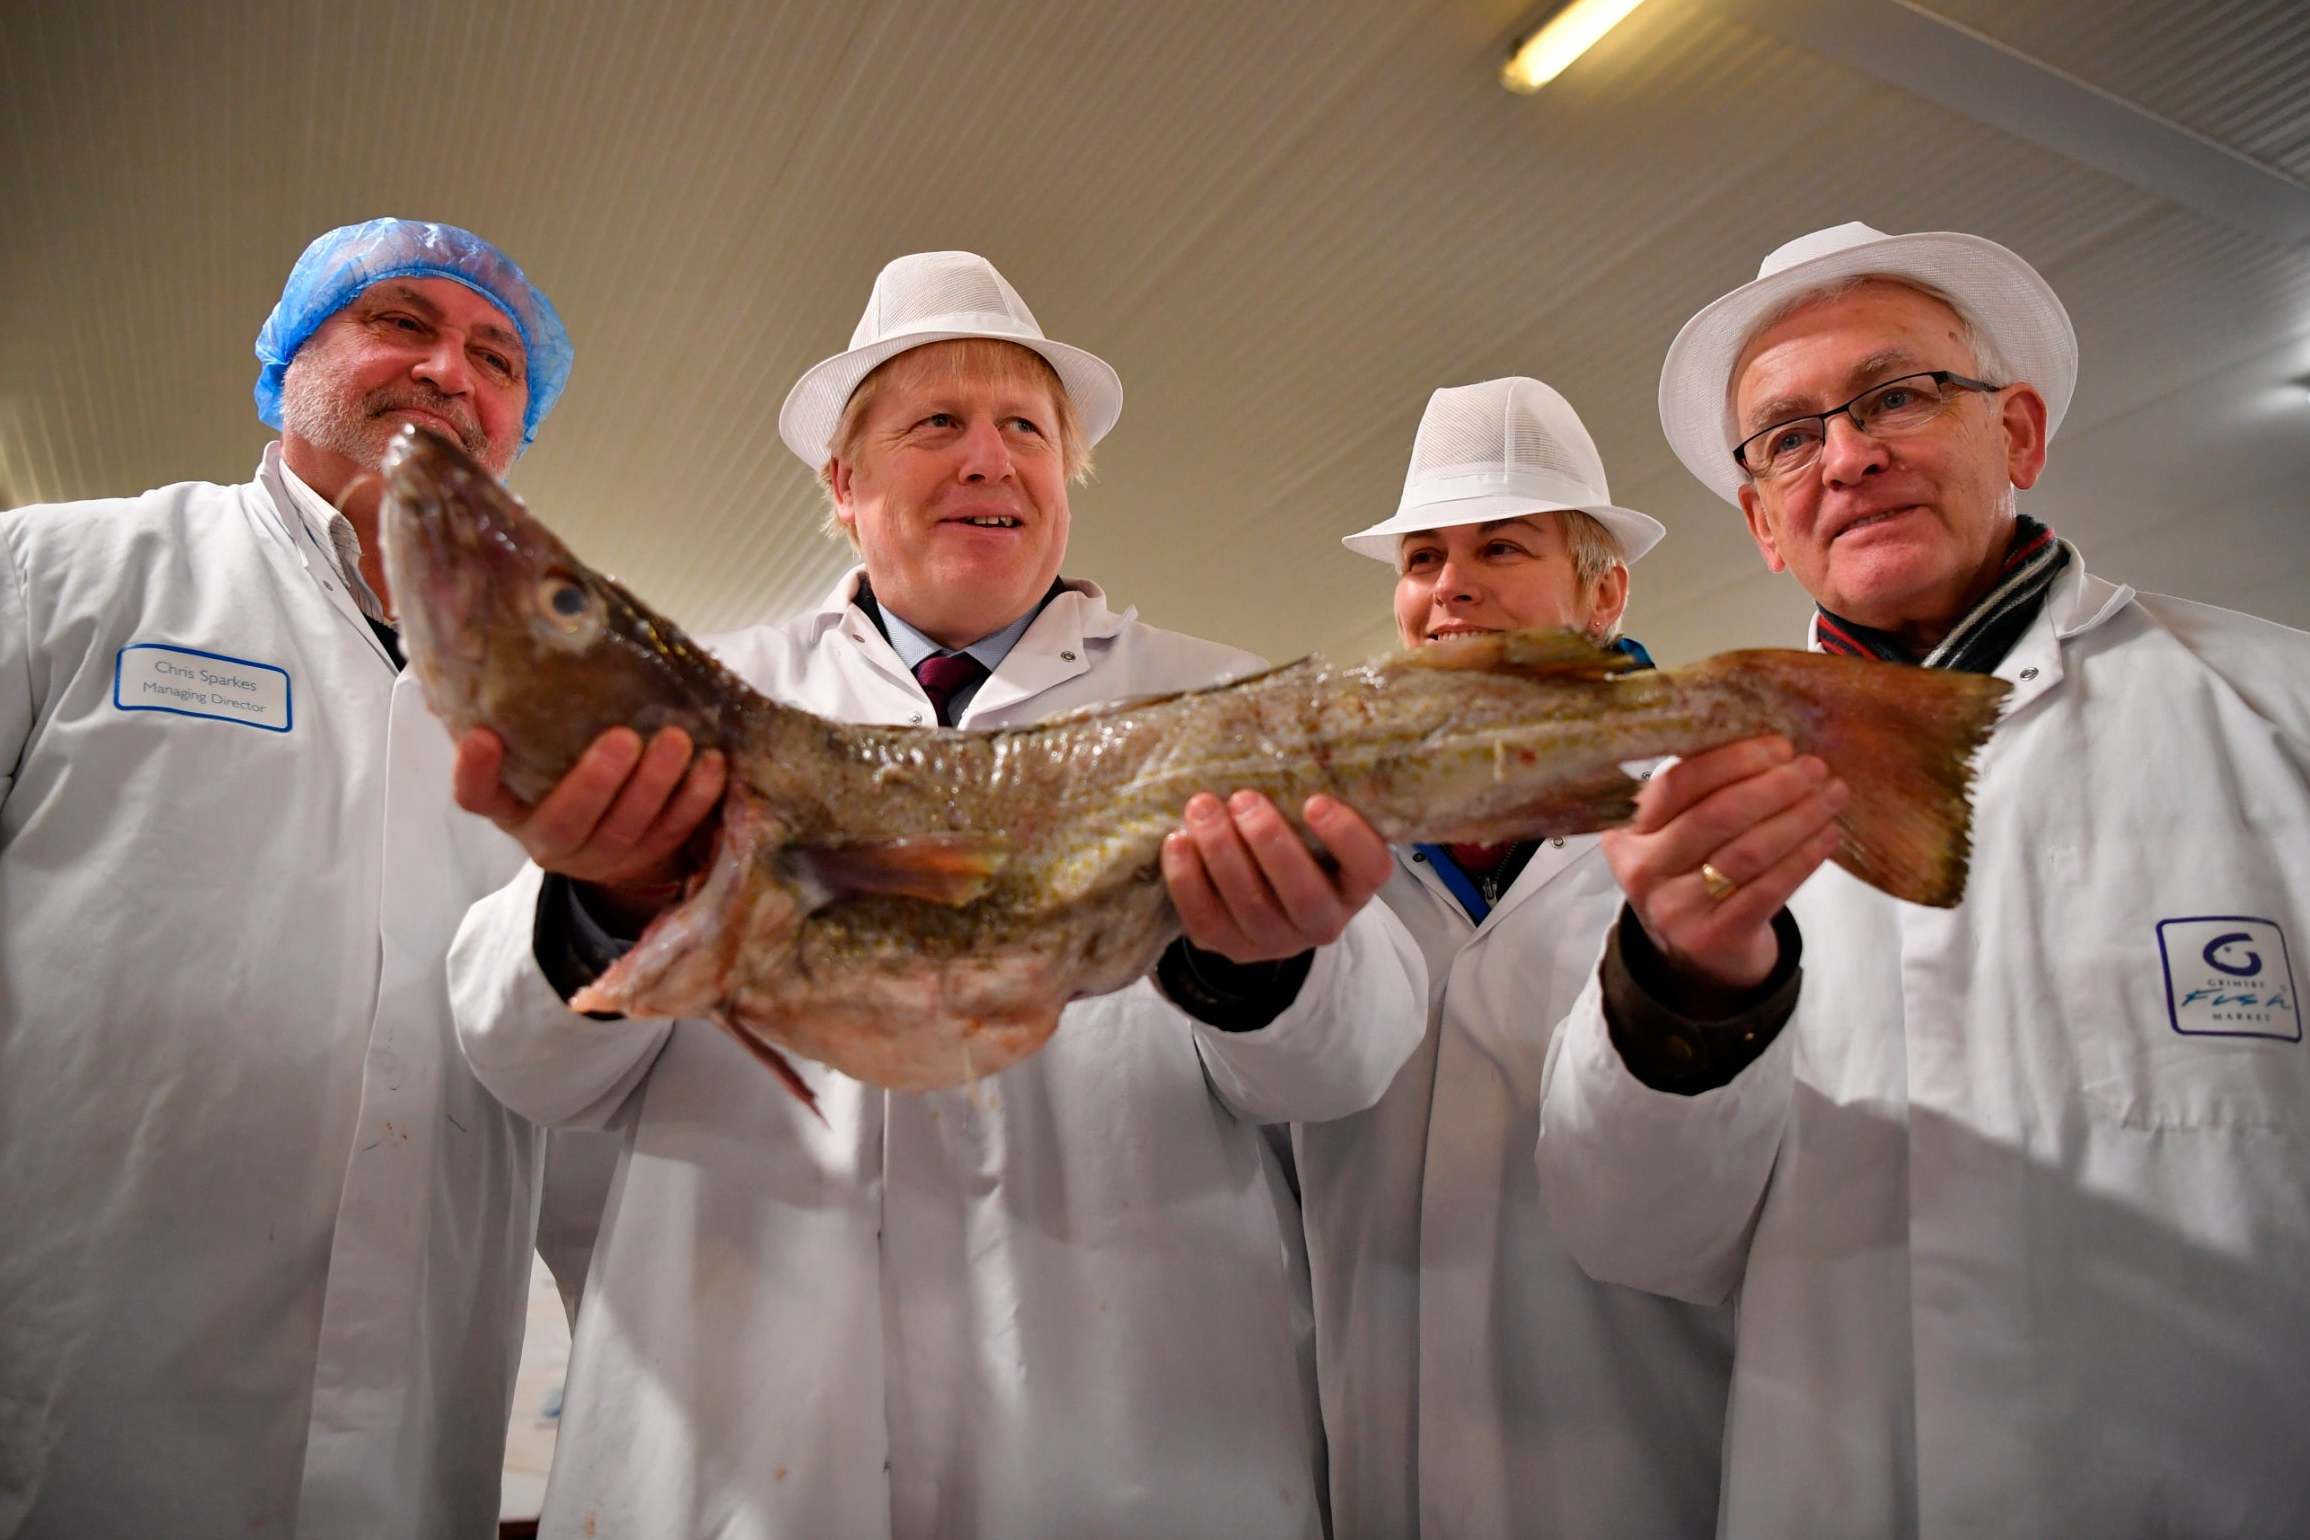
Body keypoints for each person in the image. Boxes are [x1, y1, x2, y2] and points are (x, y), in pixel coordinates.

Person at [446, 250, 1425, 1538]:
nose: (988, 458)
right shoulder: (698, 706)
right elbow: (520, 1063)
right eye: (936, 425)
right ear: (843, 486)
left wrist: (1268, 963)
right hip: (750, 1440)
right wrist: (605, 905)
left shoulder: (1223, 706)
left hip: (1132, 1435)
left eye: (1026, 427)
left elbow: (1347, 1067)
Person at [1537, 221, 2310, 1536]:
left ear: (2014, 434)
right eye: (1788, 436)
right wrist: (1685, 988)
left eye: (1897, 396)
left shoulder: (2274, 708)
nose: (1846, 455)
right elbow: (1634, 1241)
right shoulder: (1681, 802)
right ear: (1762, 523)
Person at [0, 218, 587, 1538]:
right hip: (75, 1384)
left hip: (419, 1421)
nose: (449, 371)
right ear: (287, 363)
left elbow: (586, 1097)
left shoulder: (559, 694)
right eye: (398, 323)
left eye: (496, 357)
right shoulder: (59, 575)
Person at [1293, 376, 1730, 1538]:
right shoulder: (1332, 818)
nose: (1452, 587)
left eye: (1501, 547)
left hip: (1635, 1456)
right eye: (1424, 558)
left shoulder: (1702, 807)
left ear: (1604, 593)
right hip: (1375, 1455)